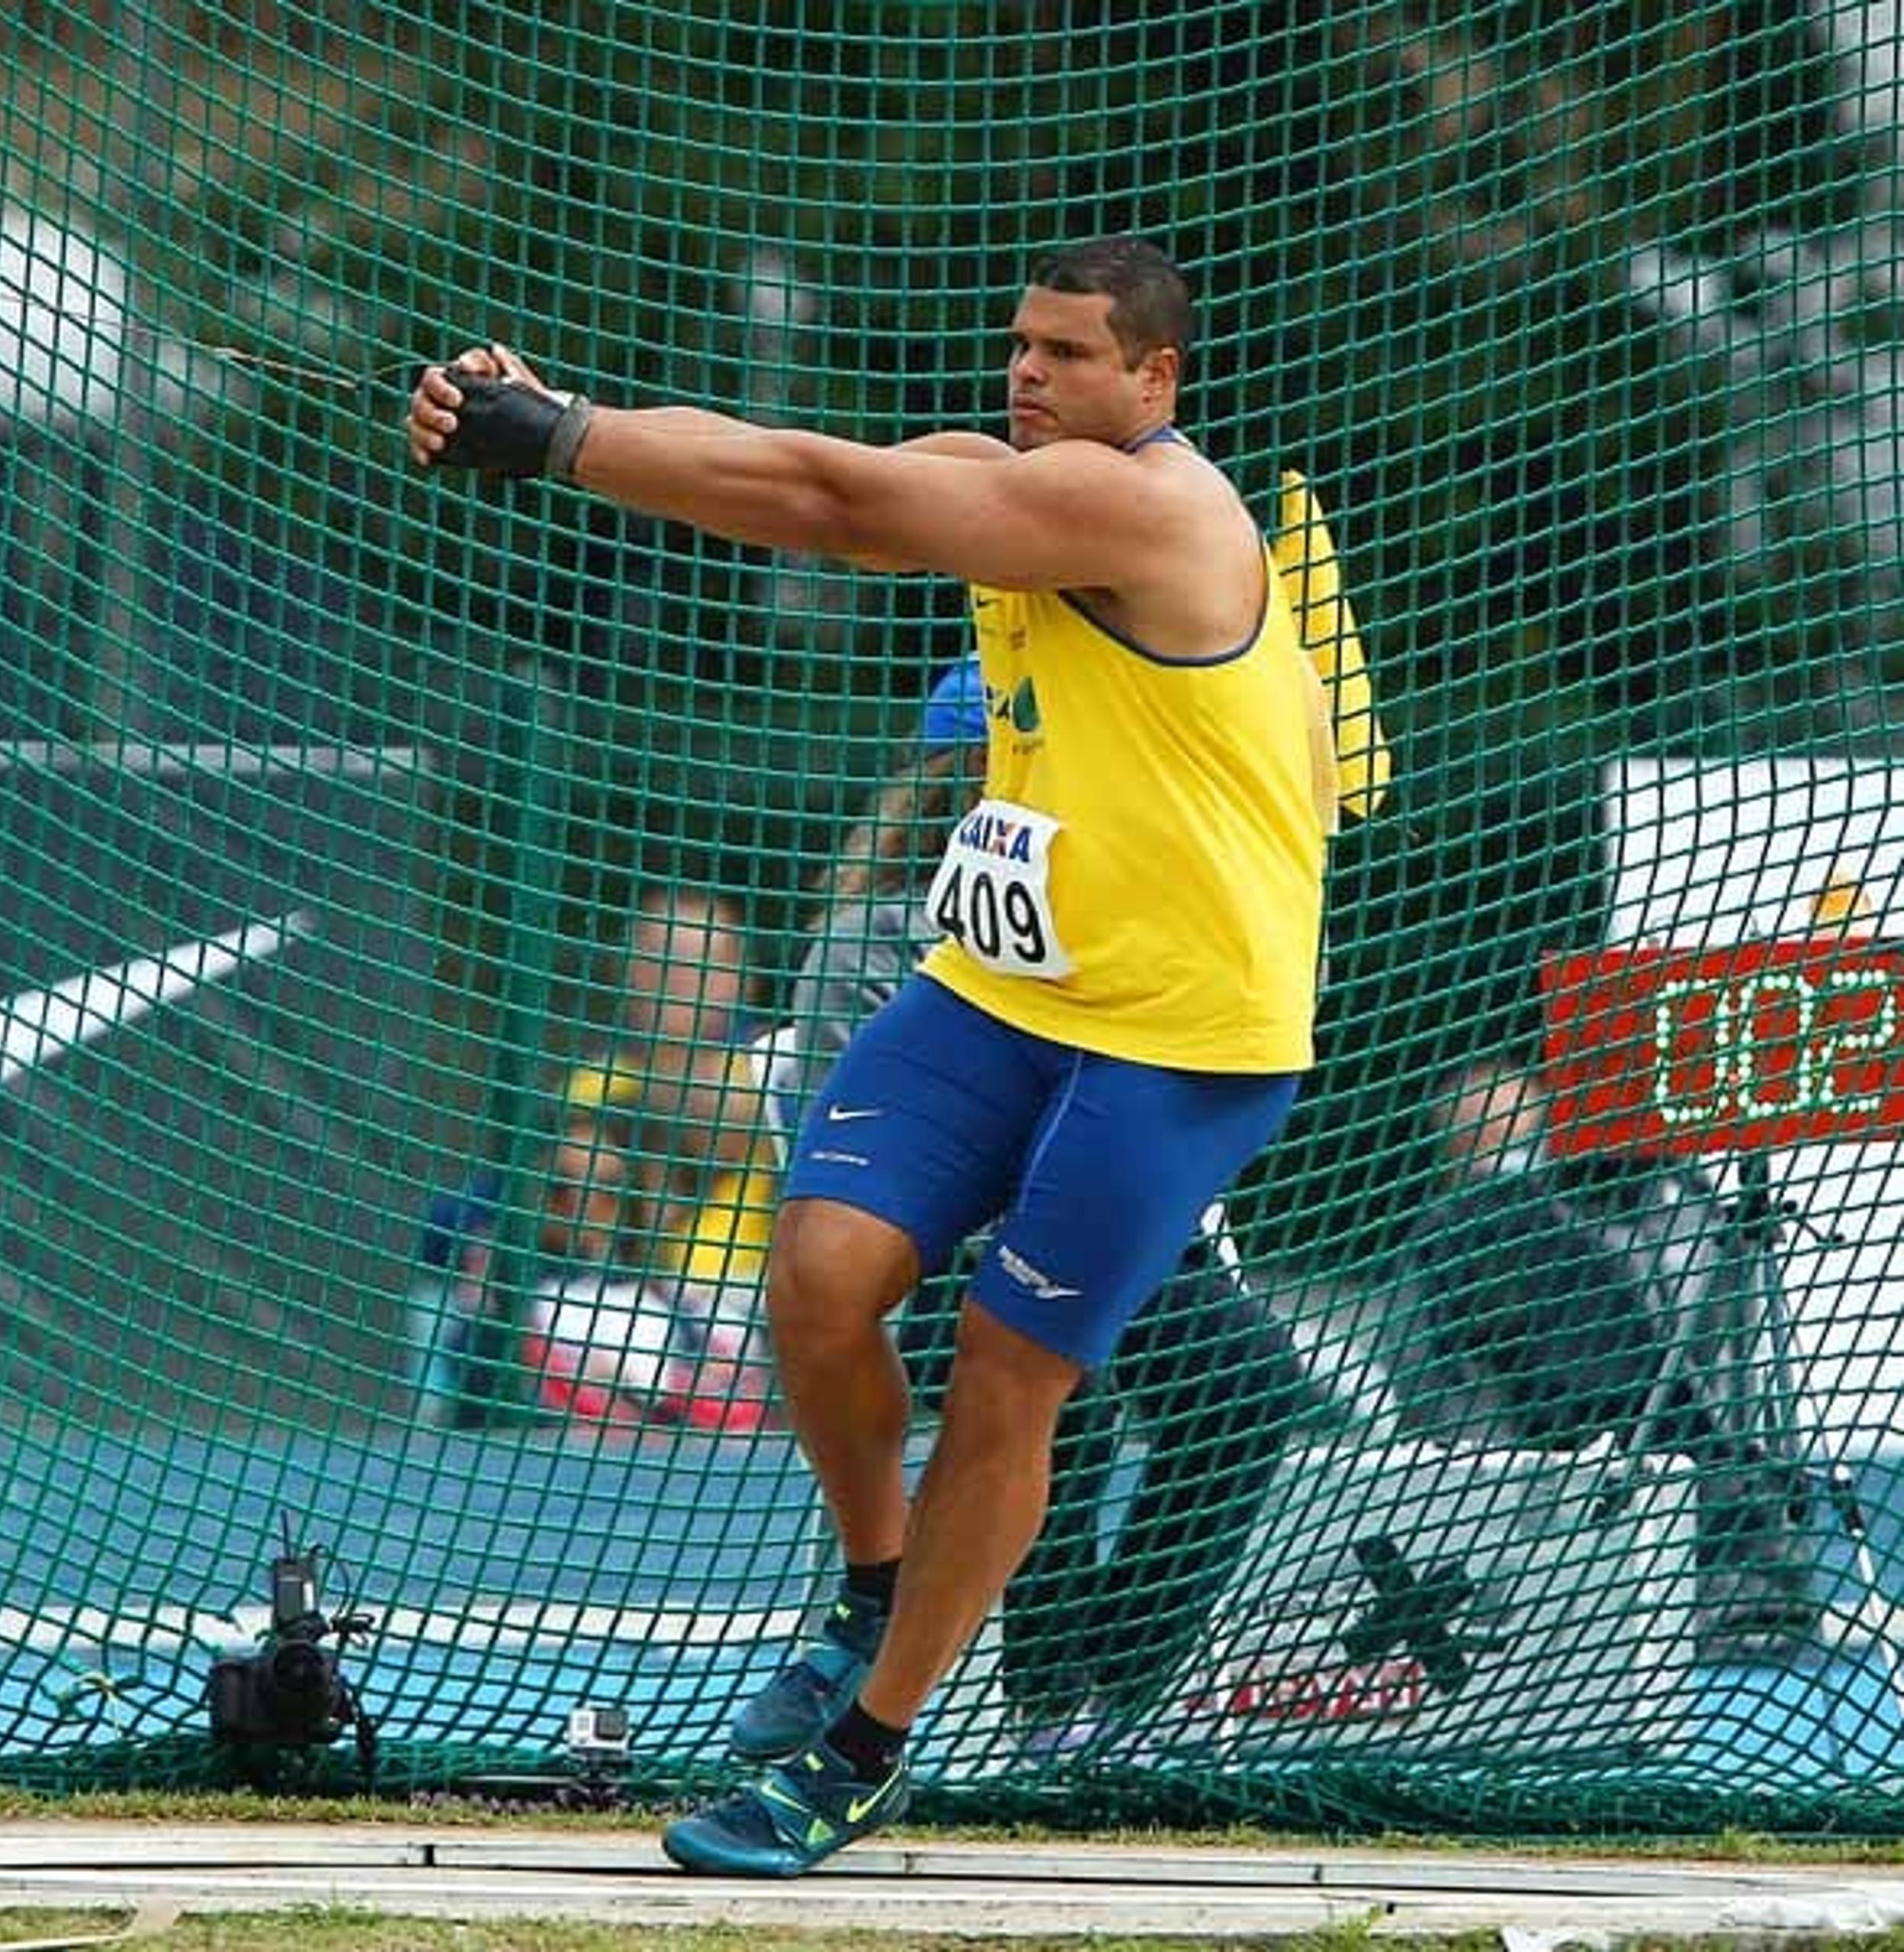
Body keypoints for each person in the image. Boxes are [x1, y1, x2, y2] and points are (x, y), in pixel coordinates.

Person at [407, 236, 1345, 1877]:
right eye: (1021, 345)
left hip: (1183, 1033)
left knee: (1006, 1370)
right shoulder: (1008, 476)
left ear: (1156, 382)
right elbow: (794, 475)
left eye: (1070, 353)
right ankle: (875, 1582)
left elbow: (828, 503)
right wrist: (564, 417)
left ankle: (866, 1746)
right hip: (1000, 994)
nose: (1031, 374)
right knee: (821, 1275)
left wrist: (553, 437)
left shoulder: (1151, 510)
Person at [791, 664, 1317, 1765]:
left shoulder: (1137, 887)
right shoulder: (878, 938)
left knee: (1251, 1391)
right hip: (944, 1255)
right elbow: (869, 1158)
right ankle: (1038, 1698)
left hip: (1111, 1230)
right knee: (1039, 1381)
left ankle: (1121, 1684)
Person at [1397, 1056, 1822, 1655]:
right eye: (1484, 1141)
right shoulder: (1470, 1237)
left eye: (1513, 1131)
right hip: (1550, 1529)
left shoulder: (1686, 1206)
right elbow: (1453, 1409)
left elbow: (1729, 1369)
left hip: (1707, 1542)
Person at [522, 886, 777, 1430]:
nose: (677, 980)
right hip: (620, 1292)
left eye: (698, 963)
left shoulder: (767, 1071)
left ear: (742, 979)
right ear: (628, 971)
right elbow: (567, 1212)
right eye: (658, 959)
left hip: (743, 1308)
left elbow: (721, 1121)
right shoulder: (595, 1082)